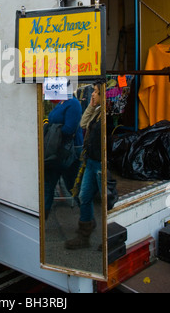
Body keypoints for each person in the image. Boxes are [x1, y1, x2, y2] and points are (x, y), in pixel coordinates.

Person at [64, 82, 102, 250]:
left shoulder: (106, 114)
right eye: (93, 91)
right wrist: (92, 106)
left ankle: (108, 239)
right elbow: (83, 124)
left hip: (101, 163)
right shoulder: (97, 112)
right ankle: (84, 236)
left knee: (106, 200)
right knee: (83, 197)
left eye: (96, 92)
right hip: (91, 161)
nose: (92, 94)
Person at [44, 94, 83, 219]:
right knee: (48, 186)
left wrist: (52, 129)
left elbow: (69, 129)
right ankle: (42, 221)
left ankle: (87, 217)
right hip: (55, 150)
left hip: (68, 151)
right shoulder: (61, 102)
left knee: (72, 185)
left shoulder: (73, 103)